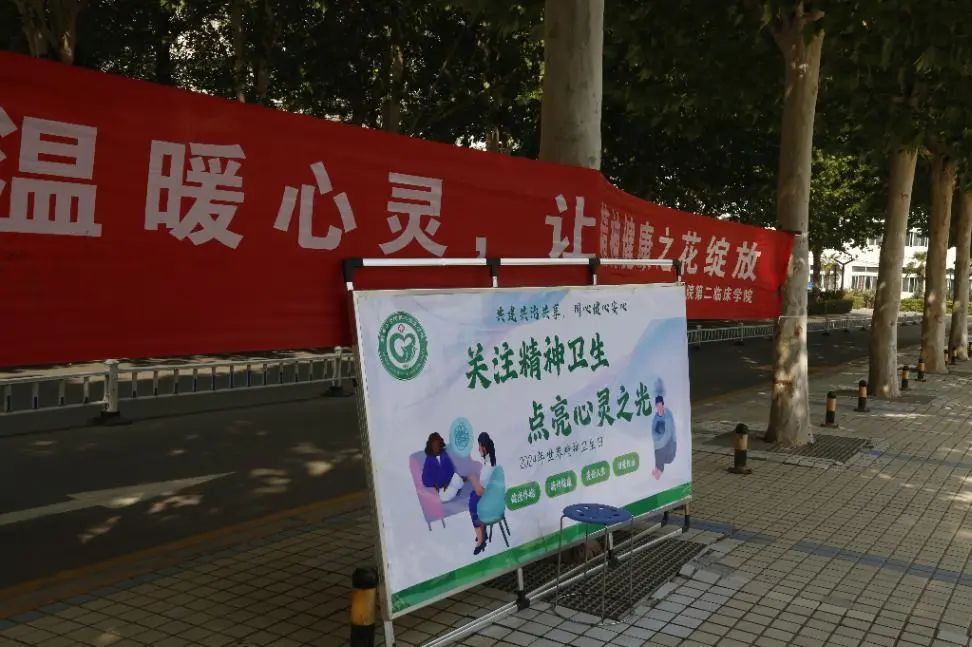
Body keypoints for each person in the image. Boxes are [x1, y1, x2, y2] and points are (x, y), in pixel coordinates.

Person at [467, 432, 496, 555]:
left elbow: (480, 491)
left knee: (473, 503)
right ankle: (481, 532)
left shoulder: (488, 465)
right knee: (473, 496)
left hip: (489, 498)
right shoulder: (488, 460)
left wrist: (472, 478)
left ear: (483, 447)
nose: (478, 449)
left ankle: (481, 539)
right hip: (489, 494)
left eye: (479, 446)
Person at [421, 432, 463, 502]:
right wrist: (434, 484)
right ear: (430, 446)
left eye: (437, 445)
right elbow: (425, 476)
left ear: (440, 445)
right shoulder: (429, 459)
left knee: (457, 478)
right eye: (434, 445)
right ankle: (454, 490)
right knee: (443, 497)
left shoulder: (444, 455)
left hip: (449, 481)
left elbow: (451, 469)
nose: (436, 447)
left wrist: (448, 482)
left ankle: (455, 488)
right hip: (440, 486)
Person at [650, 395, 676, 479]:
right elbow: (653, 431)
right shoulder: (656, 417)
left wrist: (659, 440)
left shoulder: (668, 415)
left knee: (660, 449)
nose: (659, 407)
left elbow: (668, 433)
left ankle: (660, 470)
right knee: (657, 448)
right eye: (657, 406)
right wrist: (657, 439)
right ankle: (658, 468)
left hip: (670, 446)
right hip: (661, 443)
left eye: (660, 405)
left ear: (663, 405)